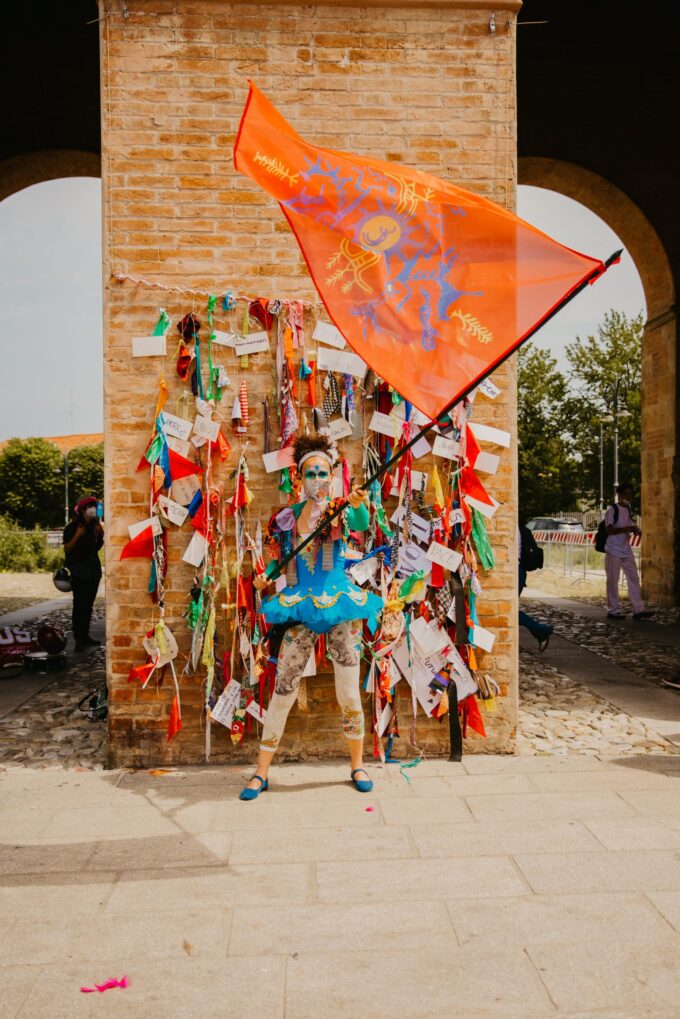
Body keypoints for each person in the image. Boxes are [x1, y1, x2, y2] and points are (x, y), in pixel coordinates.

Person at [239, 435, 383, 801]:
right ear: (298, 478)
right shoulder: (285, 519)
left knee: (348, 691)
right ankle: (261, 772)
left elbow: (362, 520)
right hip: (299, 606)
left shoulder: (341, 509)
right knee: (283, 690)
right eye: (311, 473)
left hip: (339, 607)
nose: (318, 479)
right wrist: (265, 577)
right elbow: (276, 561)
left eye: (324, 473)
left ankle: (357, 764)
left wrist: (357, 503)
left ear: (333, 476)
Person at [604, 482, 653, 621]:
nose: (629, 496)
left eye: (631, 493)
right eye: (626, 493)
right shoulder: (612, 510)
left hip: (625, 549)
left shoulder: (628, 509)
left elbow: (628, 525)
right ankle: (613, 610)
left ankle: (639, 609)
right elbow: (609, 530)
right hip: (613, 550)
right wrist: (627, 529)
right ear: (619, 494)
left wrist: (635, 530)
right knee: (613, 580)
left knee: (634, 578)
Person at [63, 495, 104, 652]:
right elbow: (67, 548)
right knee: (79, 606)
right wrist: (78, 535)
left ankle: (85, 636)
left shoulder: (95, 527)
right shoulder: (72, 528)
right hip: (80, 573)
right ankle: (79, 638)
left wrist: (100, 533)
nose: (92, 509)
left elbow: (96, 547)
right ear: (81, 510)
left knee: (88, 606)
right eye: (88, 507)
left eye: (93, 506)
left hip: (93, 572)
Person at [518, 524, 553, 651]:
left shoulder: (513, 528)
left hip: (517, 572)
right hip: (519, 571)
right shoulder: (519, 528)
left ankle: (540, 630)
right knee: (512, 610)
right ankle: (540, 631)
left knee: (511, 610)